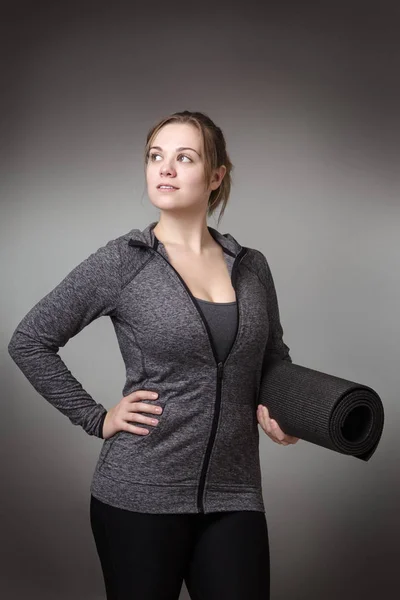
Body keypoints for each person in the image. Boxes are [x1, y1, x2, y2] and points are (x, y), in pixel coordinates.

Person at [8, 110, 299, 600]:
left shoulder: (251, 267)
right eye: (155, 157)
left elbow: (272, 357)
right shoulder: (125, 260)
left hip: (235, 493)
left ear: (215, 176)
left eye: (184, 158)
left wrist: (286, 413)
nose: (164, 168)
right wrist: (95, 418)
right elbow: (30, 341)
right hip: (139, 495)